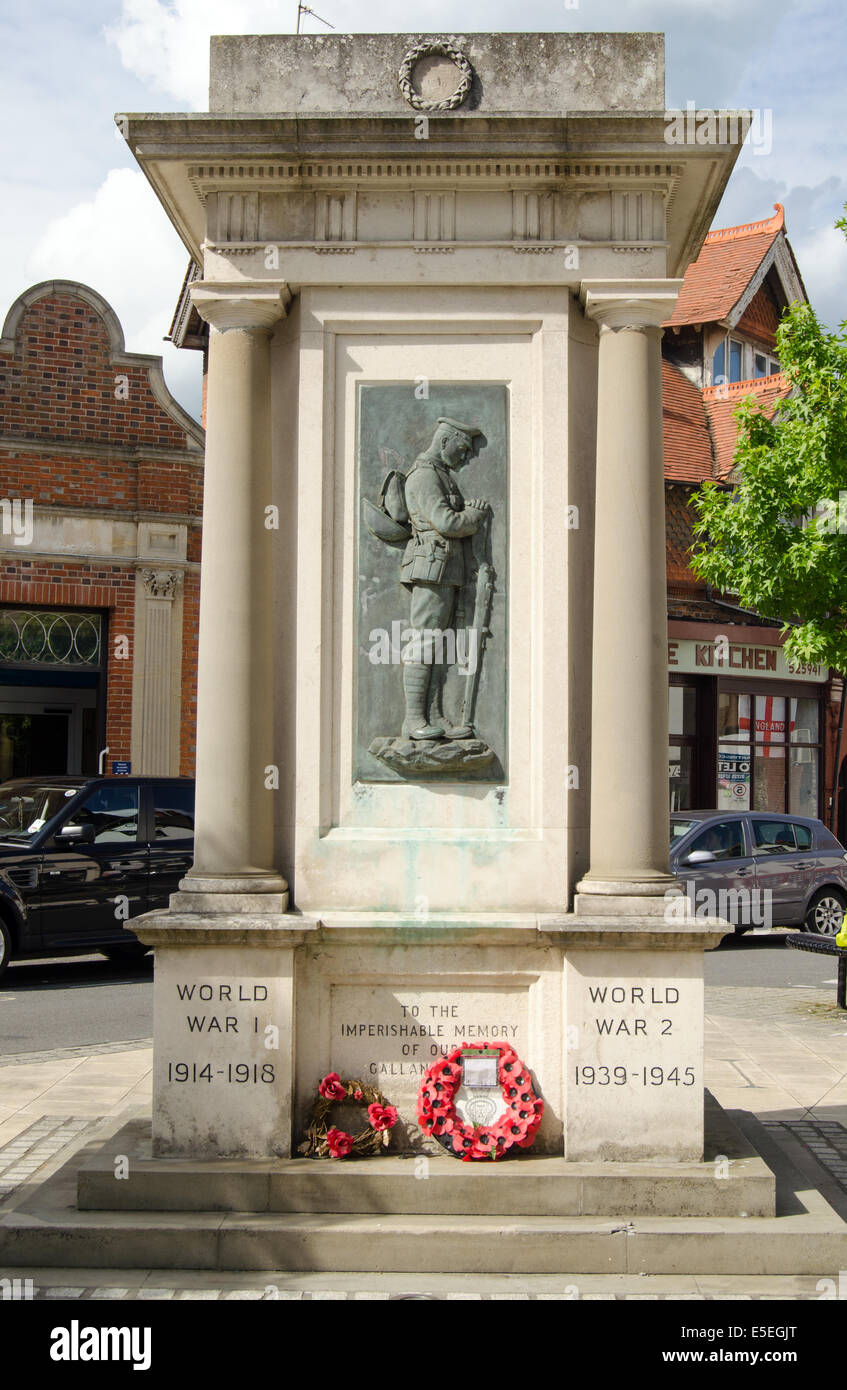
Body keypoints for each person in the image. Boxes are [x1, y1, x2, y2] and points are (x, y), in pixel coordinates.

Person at [399, 417, 489, 740]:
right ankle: (412, 719)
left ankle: (432, 713)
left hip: (445, 571)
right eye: (462, 450)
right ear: (445, 441)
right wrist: (474, 516)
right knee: (424, 642)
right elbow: (447, 522)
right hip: (431, 571)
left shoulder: (441, 476)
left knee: (438, 644)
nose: (465, 458)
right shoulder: (424, 477)